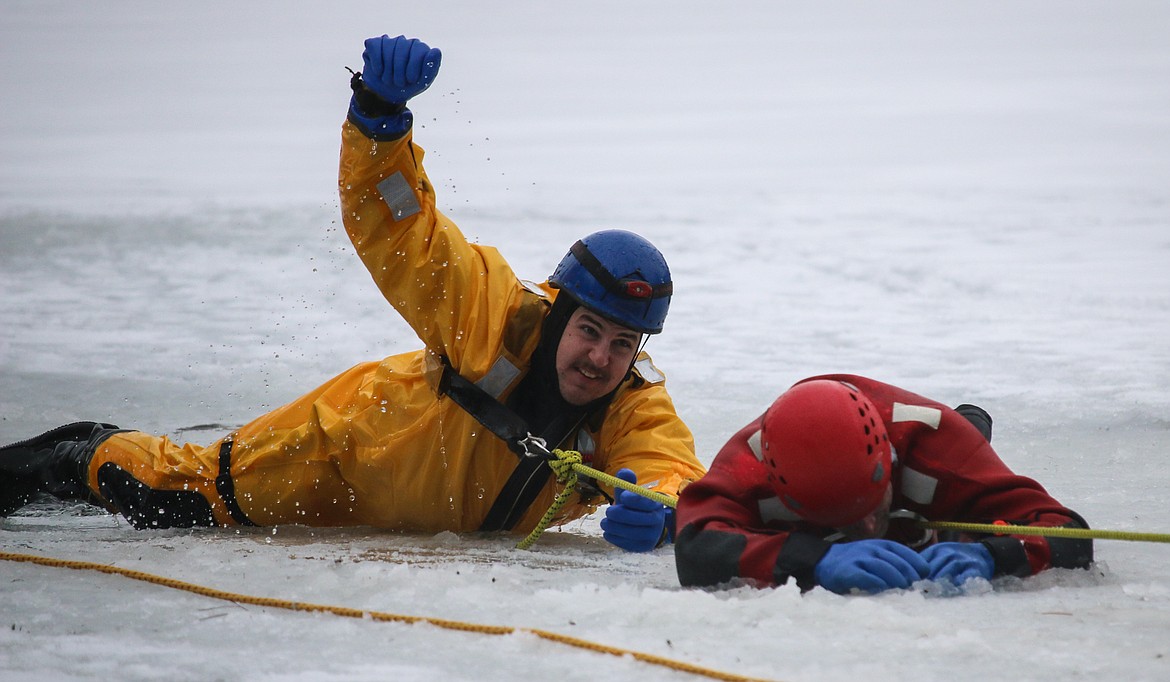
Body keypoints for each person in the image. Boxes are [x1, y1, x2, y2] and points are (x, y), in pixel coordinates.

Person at [0, 34, 705, 552]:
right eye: (589, 331)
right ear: (558, 318)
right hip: (338, 453)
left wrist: (668, 511)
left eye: (622, 343)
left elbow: (668, 467)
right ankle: (66, 456)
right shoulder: (497, 317)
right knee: (165, 496)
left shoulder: (632, 406)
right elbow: (405, 233)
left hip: (407, 521)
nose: (600, 358)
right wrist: (379, 118)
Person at [674, 375, 1093, 593]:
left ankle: (973, 421)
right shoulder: (750, 465)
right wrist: (813, 559)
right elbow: (695, 547)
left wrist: (995, 555)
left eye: (873, 510)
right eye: (850, 523)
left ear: (891, 462)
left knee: (966, 442)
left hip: (940, 435)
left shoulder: (938, 446)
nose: (871, 531)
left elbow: (1069, 532)